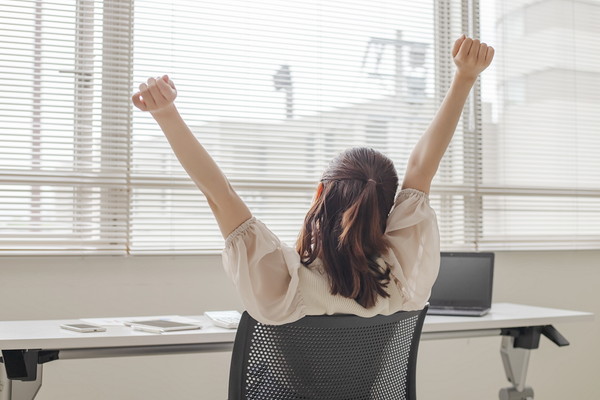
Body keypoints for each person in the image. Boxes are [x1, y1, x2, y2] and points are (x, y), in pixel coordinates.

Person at [132, 35, 494, 325]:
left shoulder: (287, 287)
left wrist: (164, 112)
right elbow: (422, 169)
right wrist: (465, 78)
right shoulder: (402, 280)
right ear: (386, 210)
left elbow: (219, 195)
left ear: (320, 192)